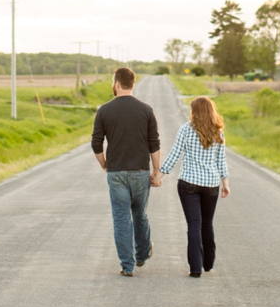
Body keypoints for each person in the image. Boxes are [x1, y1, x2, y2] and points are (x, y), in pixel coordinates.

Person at [91, 67, 162, 276]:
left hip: (116, 173)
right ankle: (141, 255)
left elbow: (96, 143)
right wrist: (157, 171)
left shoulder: (104, 110)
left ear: (117, 84)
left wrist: (105, 164)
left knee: (121, 218)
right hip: (140, 171)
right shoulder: (146, 110)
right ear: (133, 84)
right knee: (140, 214)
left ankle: (127, 266)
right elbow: (154, 143)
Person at [159, 95, 230, 277]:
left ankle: (195, 269)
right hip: (211, 184)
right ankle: (208, 264)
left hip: (189, 183)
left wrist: (159, 174)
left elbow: (175, 154)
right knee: (207, 224)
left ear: (195, 112)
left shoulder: (185, 129)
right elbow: (221, 160)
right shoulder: (218, 132)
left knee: (194, 225)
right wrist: (225, 183)